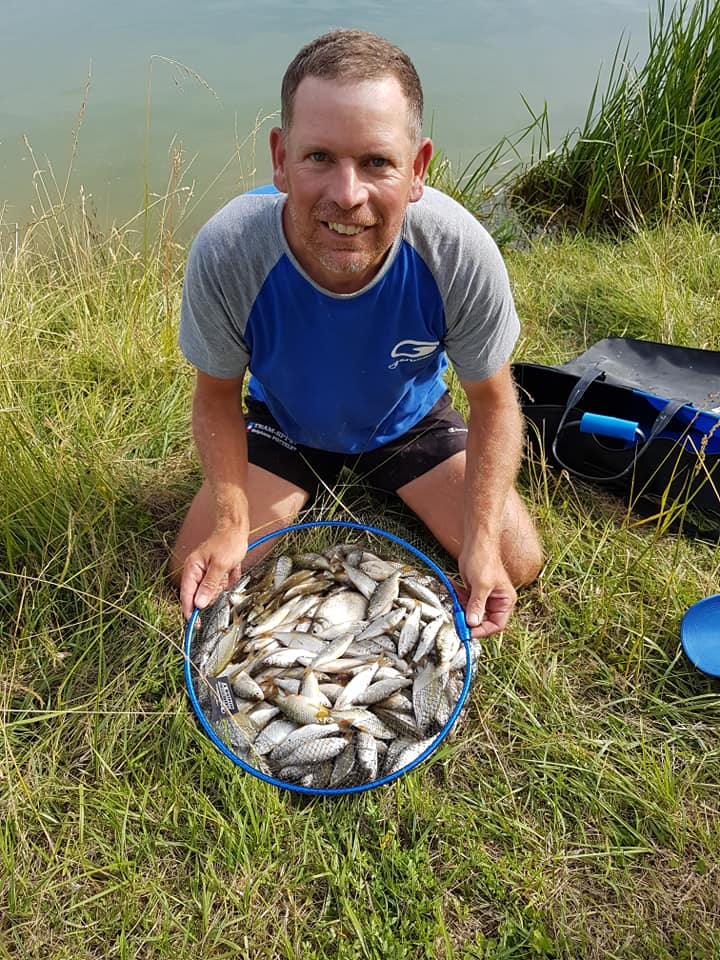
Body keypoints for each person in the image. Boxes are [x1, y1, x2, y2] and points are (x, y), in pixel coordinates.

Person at [172, 28, 543, 635]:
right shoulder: (229, 249)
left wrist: (478, 539)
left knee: (514, 560)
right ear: (280, 159)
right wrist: (231, 522)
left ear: (418, 168)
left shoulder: (459, 252)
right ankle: (286, 492)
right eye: (319, 157)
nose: (347, 196)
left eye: (376, 162)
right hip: (284, 422)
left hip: (407, 422)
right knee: (204, 574)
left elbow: (495, 405)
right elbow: (215, 397)